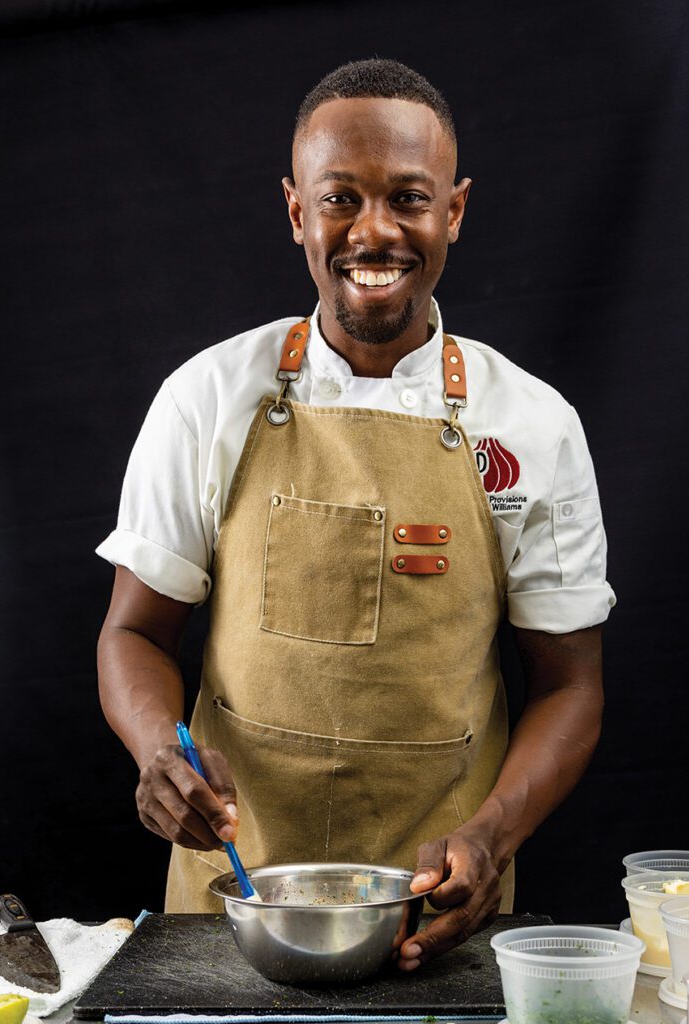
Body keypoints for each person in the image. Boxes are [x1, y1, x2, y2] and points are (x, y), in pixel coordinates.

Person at [97, 58, 614, 971]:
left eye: (408, 199)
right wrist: (154, 751)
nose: (373, 233)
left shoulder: (533, 425)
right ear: (298, 211)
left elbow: (569, 685)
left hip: (438, 912)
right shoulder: (207, 399)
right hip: (234, 906)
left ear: (452, 211)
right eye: (340, 199)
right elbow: (134, 632)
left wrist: (494, 833)